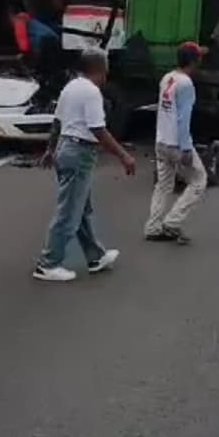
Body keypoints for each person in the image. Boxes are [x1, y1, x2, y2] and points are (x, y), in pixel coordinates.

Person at [34, 48, 135, 282]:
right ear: (101, 68)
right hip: (80, 151)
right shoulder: (91, 92)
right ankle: (47, 263)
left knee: (80, 208)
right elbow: (98, 128)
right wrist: (123, 155)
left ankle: (95, 256)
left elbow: (57, 122)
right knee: (69, 212)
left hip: (66, 148)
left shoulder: (70, 87)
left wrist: (51, 149)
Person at [144, 42, 207, 245]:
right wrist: (186, 148)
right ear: (194, 61)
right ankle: (173, 221)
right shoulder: (186, 84)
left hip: (161, 140)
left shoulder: (167, 78)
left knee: (163, 185)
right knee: (198, 180)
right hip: (176, 143)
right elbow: (183, 118)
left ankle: (153, 227)